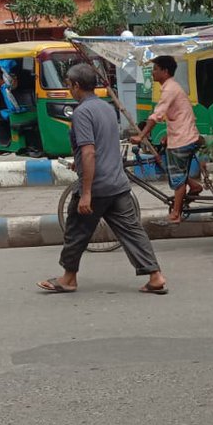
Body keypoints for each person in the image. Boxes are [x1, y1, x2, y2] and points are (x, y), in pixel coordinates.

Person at [37, 63, 168, 296]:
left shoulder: (81, 112)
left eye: (68, 85)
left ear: (77, 86)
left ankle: (68, 278)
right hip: (118, 183)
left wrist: (86, 192)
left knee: (76, 230)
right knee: (132, 231)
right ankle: (155, 276)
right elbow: (103, 144)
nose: (69, 90)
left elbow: (89, 151)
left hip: (98, 186)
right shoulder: (107, 108)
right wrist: (78, 161)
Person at [132, 56, 202, 222]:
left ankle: (176, 214)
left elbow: (157, 115)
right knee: (175, 170)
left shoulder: (170, 88)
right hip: (182, 135)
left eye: (156, 69)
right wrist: (167, 135)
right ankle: (194, 186)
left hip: (183, 139)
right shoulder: (171, 87)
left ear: (165, 71)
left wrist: (141, 135)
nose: (153, 72)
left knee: (177, 176)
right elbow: (177, 115)